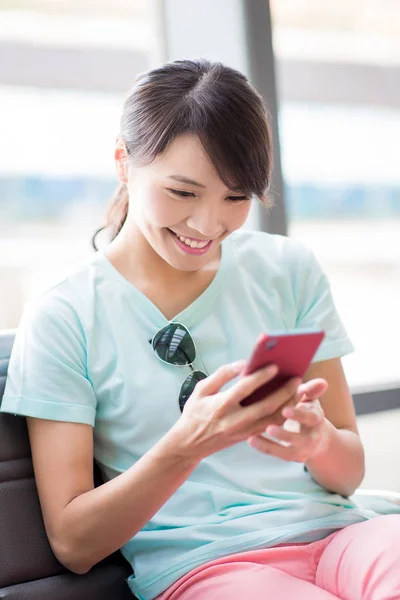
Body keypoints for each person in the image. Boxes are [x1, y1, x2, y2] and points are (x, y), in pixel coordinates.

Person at [1, 59, 400, 600]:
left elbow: (347, 472)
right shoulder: (64, 316)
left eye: (235, 198)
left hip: (346, 534)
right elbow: (73, 542)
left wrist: (316, 441)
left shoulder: (286, 270)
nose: (208, 225)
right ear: (124, 162)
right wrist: (186, 447)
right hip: (207, 564)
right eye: (183, 193)